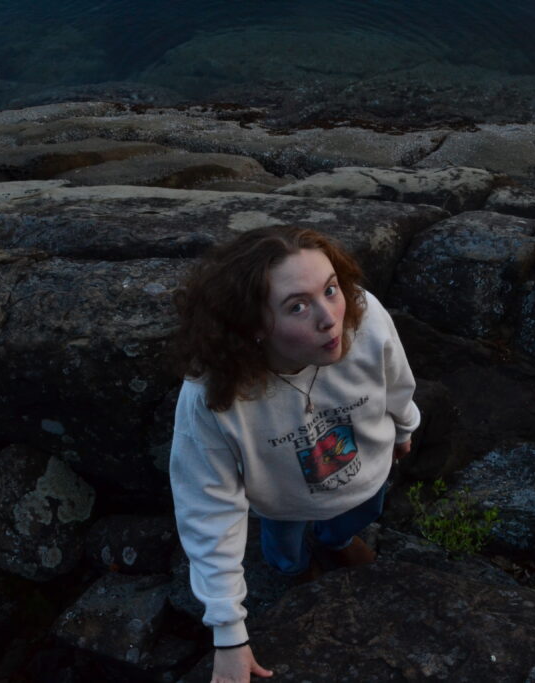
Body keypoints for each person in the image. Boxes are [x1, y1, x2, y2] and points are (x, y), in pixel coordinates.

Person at [169, 226, 420, 682]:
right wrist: (229, 633)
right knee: (283, 548)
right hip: (282, 505)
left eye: (330, 289)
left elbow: (396, 377)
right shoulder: (213, 395)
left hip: (367, 477)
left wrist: (405, 426)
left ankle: (337, 542)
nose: (330, 318)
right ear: (253, 325)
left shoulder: (362, 315)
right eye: (297, 306)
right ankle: (295, 569)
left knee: (358, 516)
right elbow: (207, 507)